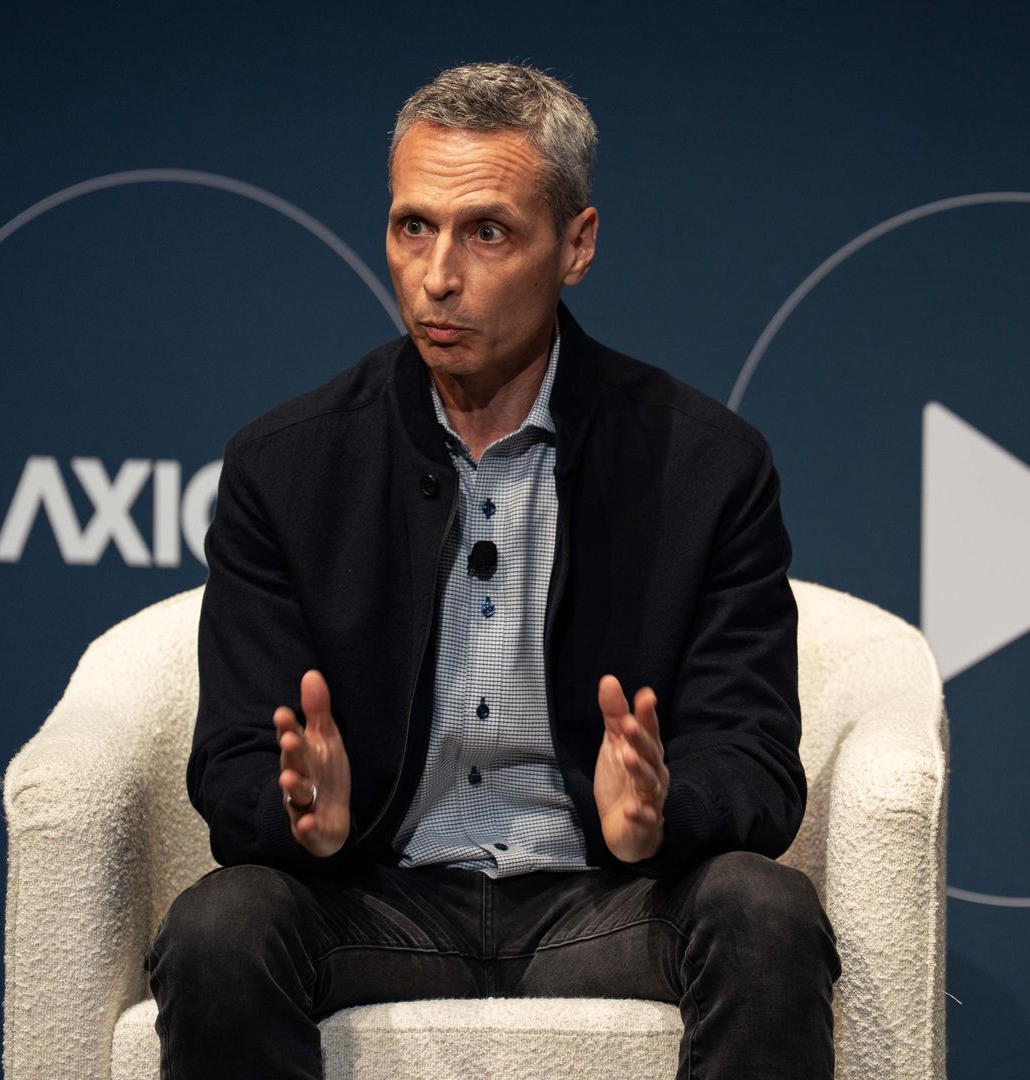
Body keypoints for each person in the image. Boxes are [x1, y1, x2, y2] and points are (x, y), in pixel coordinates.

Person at [144, 63, 838, 1080]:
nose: (437, 276)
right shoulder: (284, 466)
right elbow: (235, 759)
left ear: (577, 245)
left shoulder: (706, 465)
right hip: (373, 901)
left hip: (608, 904)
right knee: (218, 929)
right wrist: (304, 820)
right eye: (413, 226)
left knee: (767, 914)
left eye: (489, 233)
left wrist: (659, 810)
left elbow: (757, 760)